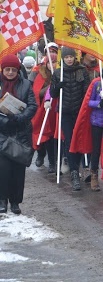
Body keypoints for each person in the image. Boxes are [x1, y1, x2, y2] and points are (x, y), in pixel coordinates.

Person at [0, 55, 38, 215]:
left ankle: (15, 201)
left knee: (18, 170)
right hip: (2, 133)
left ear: (17, 70)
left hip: (20, 132)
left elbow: (32, 105)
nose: (10, 72)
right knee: (3, 170)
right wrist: (4, 121)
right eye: (7, 69)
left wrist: (19, 118)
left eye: (13, 70)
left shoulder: (26, 84)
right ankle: (2, 200)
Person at [49, 47, 91, 190]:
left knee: (79, 139)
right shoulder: (57, 73)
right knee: (69, 140)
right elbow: (53, 94)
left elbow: (87, 91)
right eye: (66, 57)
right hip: (65, 112)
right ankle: (74, 171)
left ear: (75, 58)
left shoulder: (82, 71)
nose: (69, 59)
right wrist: (57, 87)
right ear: (63, 58)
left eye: (71, 57)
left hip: (80, 112)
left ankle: (82, 167)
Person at [71, 63, 103, 191]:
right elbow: (88, 102)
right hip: (97, 121)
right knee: (96, 150)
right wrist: (99, 103)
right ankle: (94, 175)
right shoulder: (97, 83)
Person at [30, 42, 59, 170]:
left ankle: (53, 162)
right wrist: (51, 86)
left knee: (53, 136)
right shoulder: (38, 72)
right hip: (42, 109)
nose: (52, 64)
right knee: (41, 133)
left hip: (56, 110)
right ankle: (41, 155)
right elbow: (37, 92)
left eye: (54, 52)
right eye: (50, 51)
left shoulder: (60, 73)